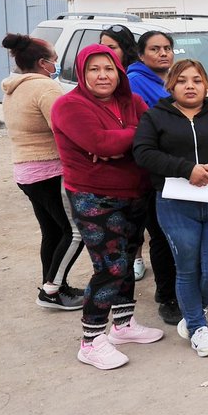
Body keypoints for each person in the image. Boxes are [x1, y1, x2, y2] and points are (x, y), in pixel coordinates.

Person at [132, 59, 208, 357]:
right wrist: (186, 169)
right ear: (171, 84)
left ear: (205, 84)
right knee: (186, 266)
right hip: (176, 203)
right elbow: (143, 152)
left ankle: (192, 313)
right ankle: (199, 327)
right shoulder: (156, 117)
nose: (190, 85)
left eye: (197, 80)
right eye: (183, 80)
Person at [50, 44, 161, 370]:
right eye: (94, 69)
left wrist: (119, 140)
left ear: (119, 71)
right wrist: (121, 140)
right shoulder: (68, 105)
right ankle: (91, 340)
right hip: (94, 197)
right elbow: (99, 143)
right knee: (109, 267)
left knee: (126, 259)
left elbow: (151, 133)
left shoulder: (133, 101)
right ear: (82, 73)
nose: (102, 75)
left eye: (109, 68)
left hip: (135, 193)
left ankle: (123, 325)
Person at [1, 33, 85, 310]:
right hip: (49, 170)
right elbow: (65, 130)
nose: (56, 66)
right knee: (75, 232)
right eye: (54, 61)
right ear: (42, 63)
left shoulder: (14, 87)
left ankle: (54, 285)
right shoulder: (45, 89)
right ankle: (51, 290)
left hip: (26, 173)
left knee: (52, 231)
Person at [126, 30, 179, 322]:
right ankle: (166, 296)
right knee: (161, 236)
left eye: (167, 48)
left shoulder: (170, 79)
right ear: (141, 53)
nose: (163, 53)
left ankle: (178, 289)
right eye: (156, 49)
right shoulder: (135, 83)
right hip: (152, 175)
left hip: (180, 171)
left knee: (178, 235)